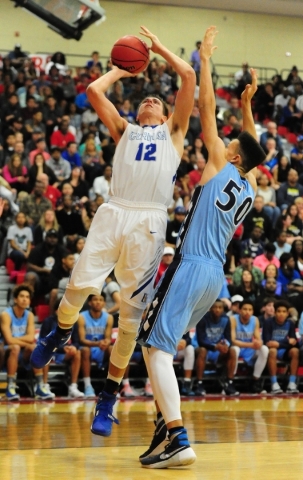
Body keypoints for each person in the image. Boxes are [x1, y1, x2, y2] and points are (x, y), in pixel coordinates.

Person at [30, 24, 196, 437]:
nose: (152, 100)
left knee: (129, 321)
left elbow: (188, 78)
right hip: (114, 211)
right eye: (147, 99)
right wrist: (124, 68)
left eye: (157, 99)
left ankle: (107, 398)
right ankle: (60, 331)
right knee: (77, 289)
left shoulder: (174, 132)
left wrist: (157, 49)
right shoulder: (125, 129)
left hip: (150, 221)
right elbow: (92, 92)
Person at [136, 27, 266, 468]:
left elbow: (207, 107)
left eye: (230, 142)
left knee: (154, 346)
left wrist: (206, 59)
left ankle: (176, 437)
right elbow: (255, 148)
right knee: (165, 348)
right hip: (215, 277)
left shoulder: (217, 163)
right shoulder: (250, 185)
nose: (225, 139)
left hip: (190, 265)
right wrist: (247, 107)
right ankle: (162, 429)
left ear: (231, 156)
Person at [0, 285, 52, 400]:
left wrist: (19, 340)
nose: (25, 299)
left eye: (27, 297)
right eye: (22, 296)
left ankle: (40, 386)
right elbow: (9, 340)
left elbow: (30, 338)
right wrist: (22, 340)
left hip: (22, 352)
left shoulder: (30, 315)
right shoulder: (6, 315)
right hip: (5, 352)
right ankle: (10, 387)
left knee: (34, 347)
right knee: (15, 347)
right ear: (15, 299)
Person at [39, 301, 84, 399]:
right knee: (46, 351)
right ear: (56, 310)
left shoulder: (73, 322)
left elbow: (77, 341)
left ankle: (73, 387)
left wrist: (73, 347)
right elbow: (43, 340)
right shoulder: (48, 321)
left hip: (64, 353)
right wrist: (62, 348)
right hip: (52, 352)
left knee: (77, 352)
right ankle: (44, 385)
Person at [194, 300, 239, 396]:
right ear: (210, 308)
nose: (217, 310)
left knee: (232, 350)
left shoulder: (226, 319)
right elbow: (201, 340)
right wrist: (215, 346)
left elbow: (228, 338)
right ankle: (199, 383)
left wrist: (225, 345)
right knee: (202, 350)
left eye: (220, 308)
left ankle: (229, 383)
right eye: (215, 307)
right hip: (205, 348)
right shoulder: (202, 318)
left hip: (218, 350)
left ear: (223, 309)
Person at [78, 293, 114, 398]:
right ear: (89, 302)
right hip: (88, 348)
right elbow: (82, 339)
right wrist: (98, 343)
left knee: (112, 349)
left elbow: (107, 337)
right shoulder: (81, 316)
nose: (98, 302)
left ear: (104, 303)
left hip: (101, 349)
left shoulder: (109, 317)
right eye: (95, 299)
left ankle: (112, 386)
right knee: (85, 350)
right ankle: (87, 385)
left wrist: (106, 342)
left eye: (101, 300)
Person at [262, 300, 299, 394]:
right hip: (271, 351)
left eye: (284, 312)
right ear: (274, 312)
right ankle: (274, 384)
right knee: (273, 350)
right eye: (279, 311)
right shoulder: (268, 322)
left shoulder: (290, 323)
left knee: (295, 351)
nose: (281, 314)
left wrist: (279, 344)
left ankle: (292, 383)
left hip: (283, 350)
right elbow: (268, 342)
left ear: (287, 313)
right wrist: (286, 342)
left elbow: (293, 341)